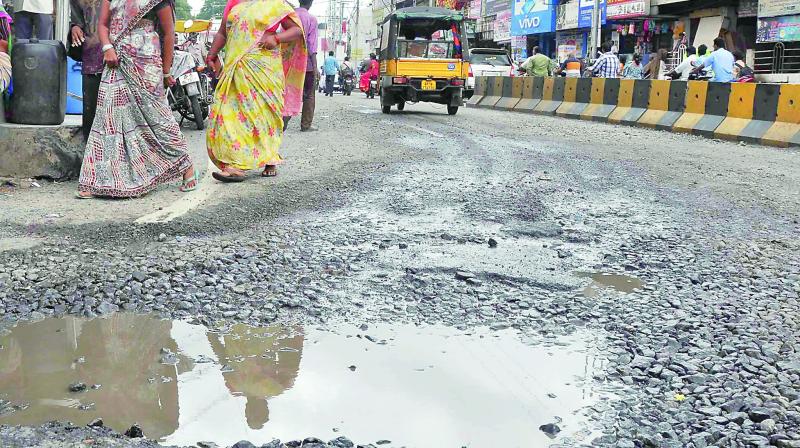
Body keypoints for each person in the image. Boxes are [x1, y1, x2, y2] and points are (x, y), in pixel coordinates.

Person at [76, 0, 197, 198]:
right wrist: (107, 47)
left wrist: (166, 72)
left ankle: (186, 167)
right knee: (109, 117)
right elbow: (103, 24)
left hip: (146, 62)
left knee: (157, 116)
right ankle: (98, 179)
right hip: (116, 60)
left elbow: (168, 33)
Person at [205, 0, 306, 181]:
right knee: (230, 115)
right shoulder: (233, 3)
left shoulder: (275, 3)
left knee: (264, 116)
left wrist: (276, 38)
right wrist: (212, 53)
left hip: (264, 69)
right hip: (235, 68)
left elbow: (297, 30)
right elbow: (222, 33)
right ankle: (234, 165)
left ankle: (269, 158)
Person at [69, 0, 104, 142]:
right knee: (91, 112)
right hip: (92, 59)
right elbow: (78, 19)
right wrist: (75, 27)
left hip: (120, 60)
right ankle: (90, 156)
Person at [285, 0, 317, 131]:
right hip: (306, 64)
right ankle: (305, 125)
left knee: (289, 91)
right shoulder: (311, 19)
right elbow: (312, 44)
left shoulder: (290, 16)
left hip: (288, 62)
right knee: (309, 94)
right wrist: (315, 67)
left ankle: (283, 121)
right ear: (310, 3)